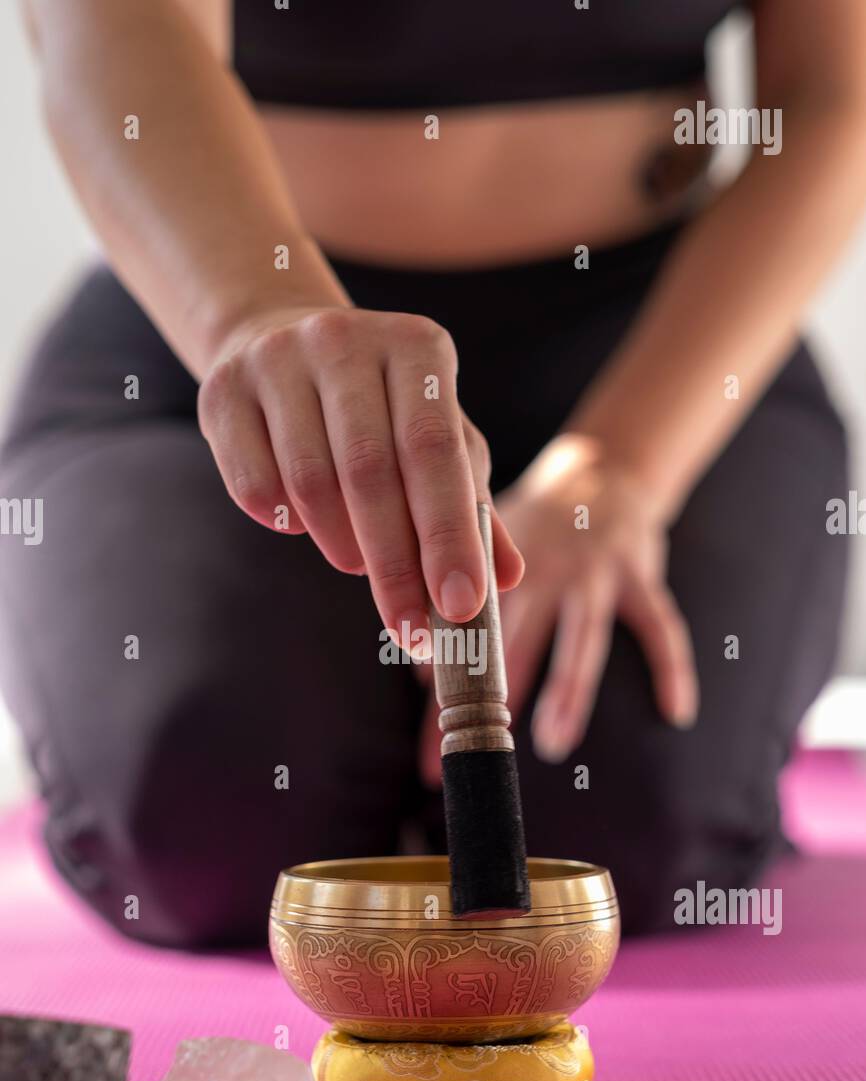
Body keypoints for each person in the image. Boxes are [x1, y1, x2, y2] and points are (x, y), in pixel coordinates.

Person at [0, 0, 861, 946]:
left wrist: (622, 466)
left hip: (662, 336)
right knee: (201, 828)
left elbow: (831, 95)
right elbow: (108, 39)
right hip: (215, 320)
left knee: (626, 844)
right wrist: (257, 315)